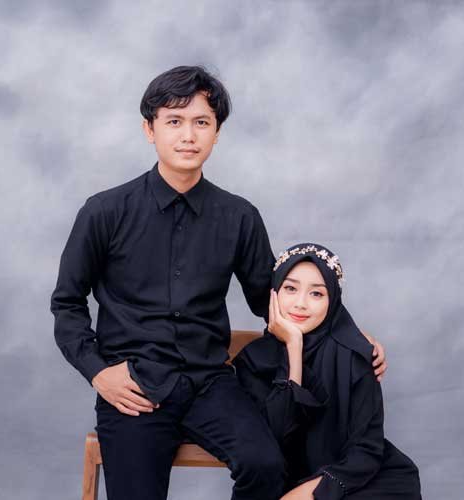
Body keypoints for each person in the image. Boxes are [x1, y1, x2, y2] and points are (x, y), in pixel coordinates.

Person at [51, 66, 387, 500]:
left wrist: (351, 336)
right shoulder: (104, 212)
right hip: (134, 387)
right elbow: (67, 304)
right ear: (150, 129)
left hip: (211, 384)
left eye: (201, 122)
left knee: (266, 465)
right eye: (174, 121)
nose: (188, 135)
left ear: (217, 133)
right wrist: (99, 373)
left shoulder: (239, 217)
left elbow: (272, 301)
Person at [233, 243, 421, 499]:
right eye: (290, 288)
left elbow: (366, 449)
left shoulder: (355, 354)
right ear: (274, 293)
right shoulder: (254, 361)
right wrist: (294, 349)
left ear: (332, 299)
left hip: (356, 478)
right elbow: (273, 439)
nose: (301, 304)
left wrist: (315, 493)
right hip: (285, 479)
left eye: (316, 294)